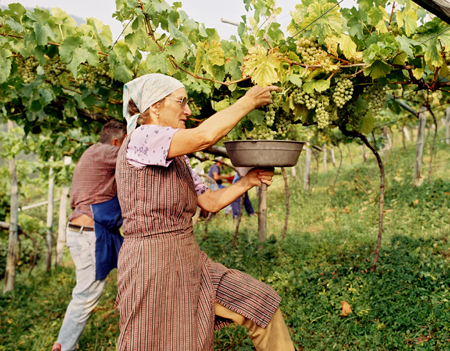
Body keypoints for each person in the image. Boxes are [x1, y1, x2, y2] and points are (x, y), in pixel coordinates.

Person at [115, 73, 295, 351]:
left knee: (260, 302)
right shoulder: (141, 138)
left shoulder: (178, 156)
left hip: (188, 257)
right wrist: (248, 102)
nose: (188, 110)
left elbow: (209, 202)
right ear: (155, 108)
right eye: (181, 102)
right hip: (151, 262)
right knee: (154, 341)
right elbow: (204, 136)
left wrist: (248, 181)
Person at [52, 121, 127, 351]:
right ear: (116, 143)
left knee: (135, 265)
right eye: (124, 142)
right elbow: (138, 156)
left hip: (91, 232)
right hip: (91, 235)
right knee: (86, 296)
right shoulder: (106, 152)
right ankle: (63, 347)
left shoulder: (93, 153)